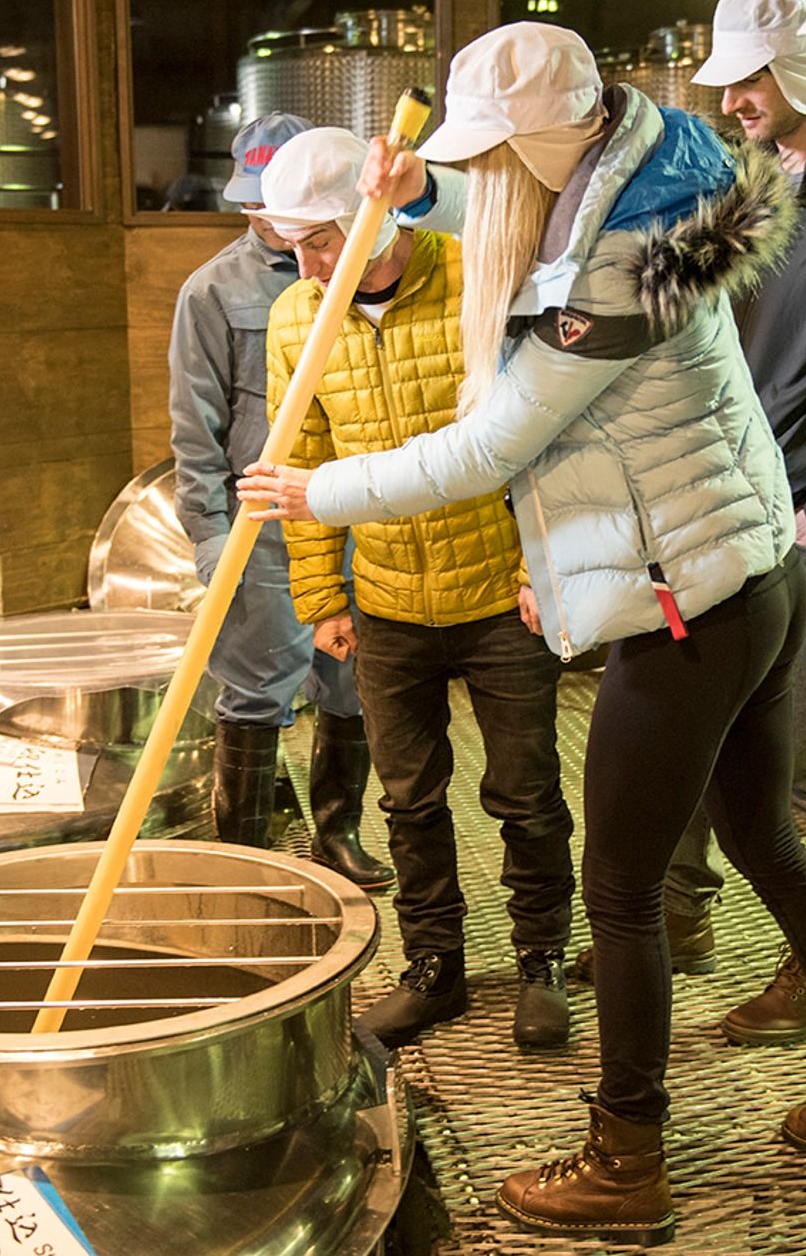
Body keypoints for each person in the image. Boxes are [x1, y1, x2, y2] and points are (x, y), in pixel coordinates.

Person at [241, 22, 806, 1247]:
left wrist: (316, 492)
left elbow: (488, 447)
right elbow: (526, 213)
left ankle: (627, 1153)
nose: (486, 177)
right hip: (746, 574)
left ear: (545, 139)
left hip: (685, 609)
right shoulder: (649, 172)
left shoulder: (613, 277)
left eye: (489, 155)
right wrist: (428, 190)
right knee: (764, 835)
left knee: (613, 888)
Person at [572, 0, 806, 1049]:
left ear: (802, 66)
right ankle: (675, 915)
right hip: (711, 500)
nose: (733, 97)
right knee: (698, 741)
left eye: (750, 76)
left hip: (802, 517)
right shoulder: (747, 181)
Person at [254, 127, 576, 1053]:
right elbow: (299, 460)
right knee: (409, 797)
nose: (313, 264)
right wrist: (321, 593)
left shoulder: (479, 273)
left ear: (385, 211)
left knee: (526, 791)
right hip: (388, 596)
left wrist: (537, 570)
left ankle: (540, 959)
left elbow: (545, 435)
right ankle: (434, 965)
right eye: (297, 246)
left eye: (325, 238)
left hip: (498, 589)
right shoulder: (297, 318)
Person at [167, 112, 391, 889]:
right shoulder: (211, 292)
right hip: (259, 526)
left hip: (349, 508)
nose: (270, 220)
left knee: (351, 678)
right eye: (258, 203)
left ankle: (338, 834)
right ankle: (246, 857)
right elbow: (194, 433)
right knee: (255, 688)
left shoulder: (365, 274)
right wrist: (207, 542)